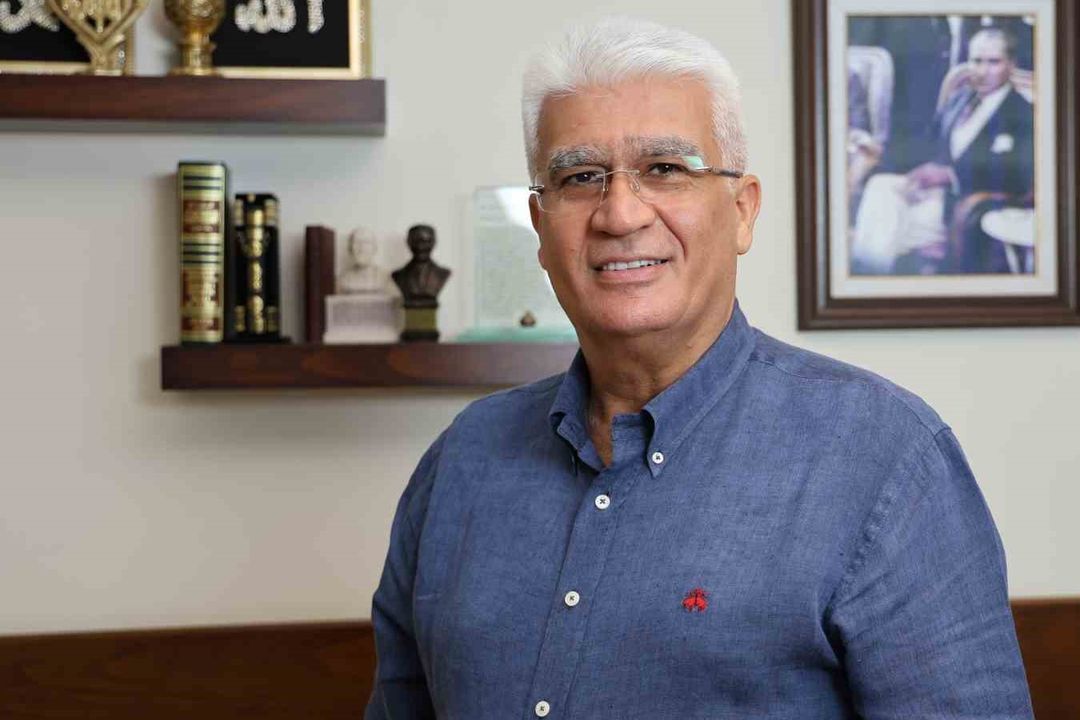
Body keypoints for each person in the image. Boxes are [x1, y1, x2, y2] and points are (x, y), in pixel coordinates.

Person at [367, 17, 1033, 719]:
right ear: (540, 227)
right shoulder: (460, 463)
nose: (619, 214)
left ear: (742, 211)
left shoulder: (888, 460)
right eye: (580, 177)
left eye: (665, 169)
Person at [852, 27, 1034, 275]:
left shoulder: (1022, 113)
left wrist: (950, 176)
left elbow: (1017, 174)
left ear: (1011, 65)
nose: (982, 71)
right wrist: (900, 167)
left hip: (967, 206)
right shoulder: (959, 99)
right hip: (932, 195)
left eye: (993, 62)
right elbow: (929, 144)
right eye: (976, 61)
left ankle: (867, 280)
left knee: (882, 227)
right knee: (880, 186)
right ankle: (872, 275)